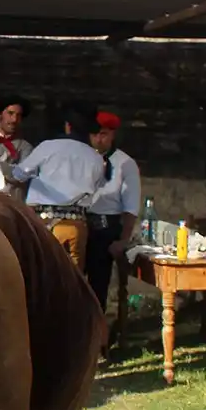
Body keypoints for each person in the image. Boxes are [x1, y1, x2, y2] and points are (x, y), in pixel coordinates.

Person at [11, 103, 107, 272]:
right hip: (77, 224)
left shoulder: (48, 147)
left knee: (42, 273)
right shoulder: (96, 158)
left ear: (67, 126)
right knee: (73, 277)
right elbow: (98, 186)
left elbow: (19, 174)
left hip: (44, 222)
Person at [86, 111, 141, 315]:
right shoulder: (81, 158)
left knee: (97, 287)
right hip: (80, 225)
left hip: (105, 228)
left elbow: (131, 205)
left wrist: (123, 240)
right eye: (94, 134)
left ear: (112, 135)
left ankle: (98, 337)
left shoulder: (125, 164)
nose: (98, 139)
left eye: (103, 134)